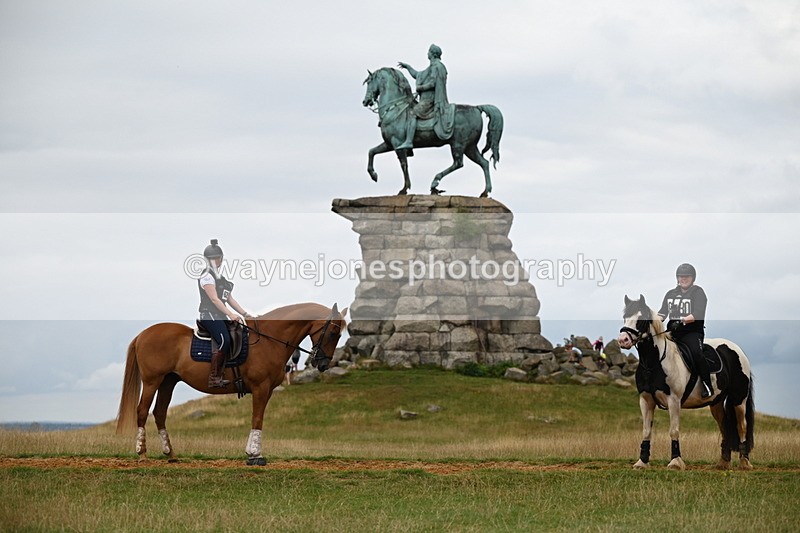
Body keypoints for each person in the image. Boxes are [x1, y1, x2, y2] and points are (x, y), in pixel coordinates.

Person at [197, 239, 253, 388]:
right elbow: (214, 300)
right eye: (212, 258)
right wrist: (231, 314)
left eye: (217, 258)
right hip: (209, 315)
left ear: (221, 259)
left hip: (220, 316)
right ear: (207, 260)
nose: (215, 261)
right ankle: (214, 377)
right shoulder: (206, 276)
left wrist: (245, 313)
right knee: (224, 341)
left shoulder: (221, 279)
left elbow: (230, 299)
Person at [657, 263, 712, 398]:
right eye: (681, 276)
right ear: (677, 278)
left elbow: (698, 313)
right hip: (672, 333)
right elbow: (662, 313)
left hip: (692, 332)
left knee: (697, 353)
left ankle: (707, 384)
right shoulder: (670, 294)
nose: (684, 279)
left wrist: (682, 321)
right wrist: (651, 321)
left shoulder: (698, 292)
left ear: (693, 278)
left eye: (687, 276)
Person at [397, 44, 455, 149]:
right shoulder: (432, 67)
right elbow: (417, 74)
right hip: (426, 100)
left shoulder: (436, 66)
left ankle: (409, 141)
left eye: (429, 51)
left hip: (430, 100)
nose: (427, 53)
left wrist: (421, 88)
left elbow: (433, 83)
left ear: (433, 54)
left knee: (412, 113)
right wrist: (408, 67)